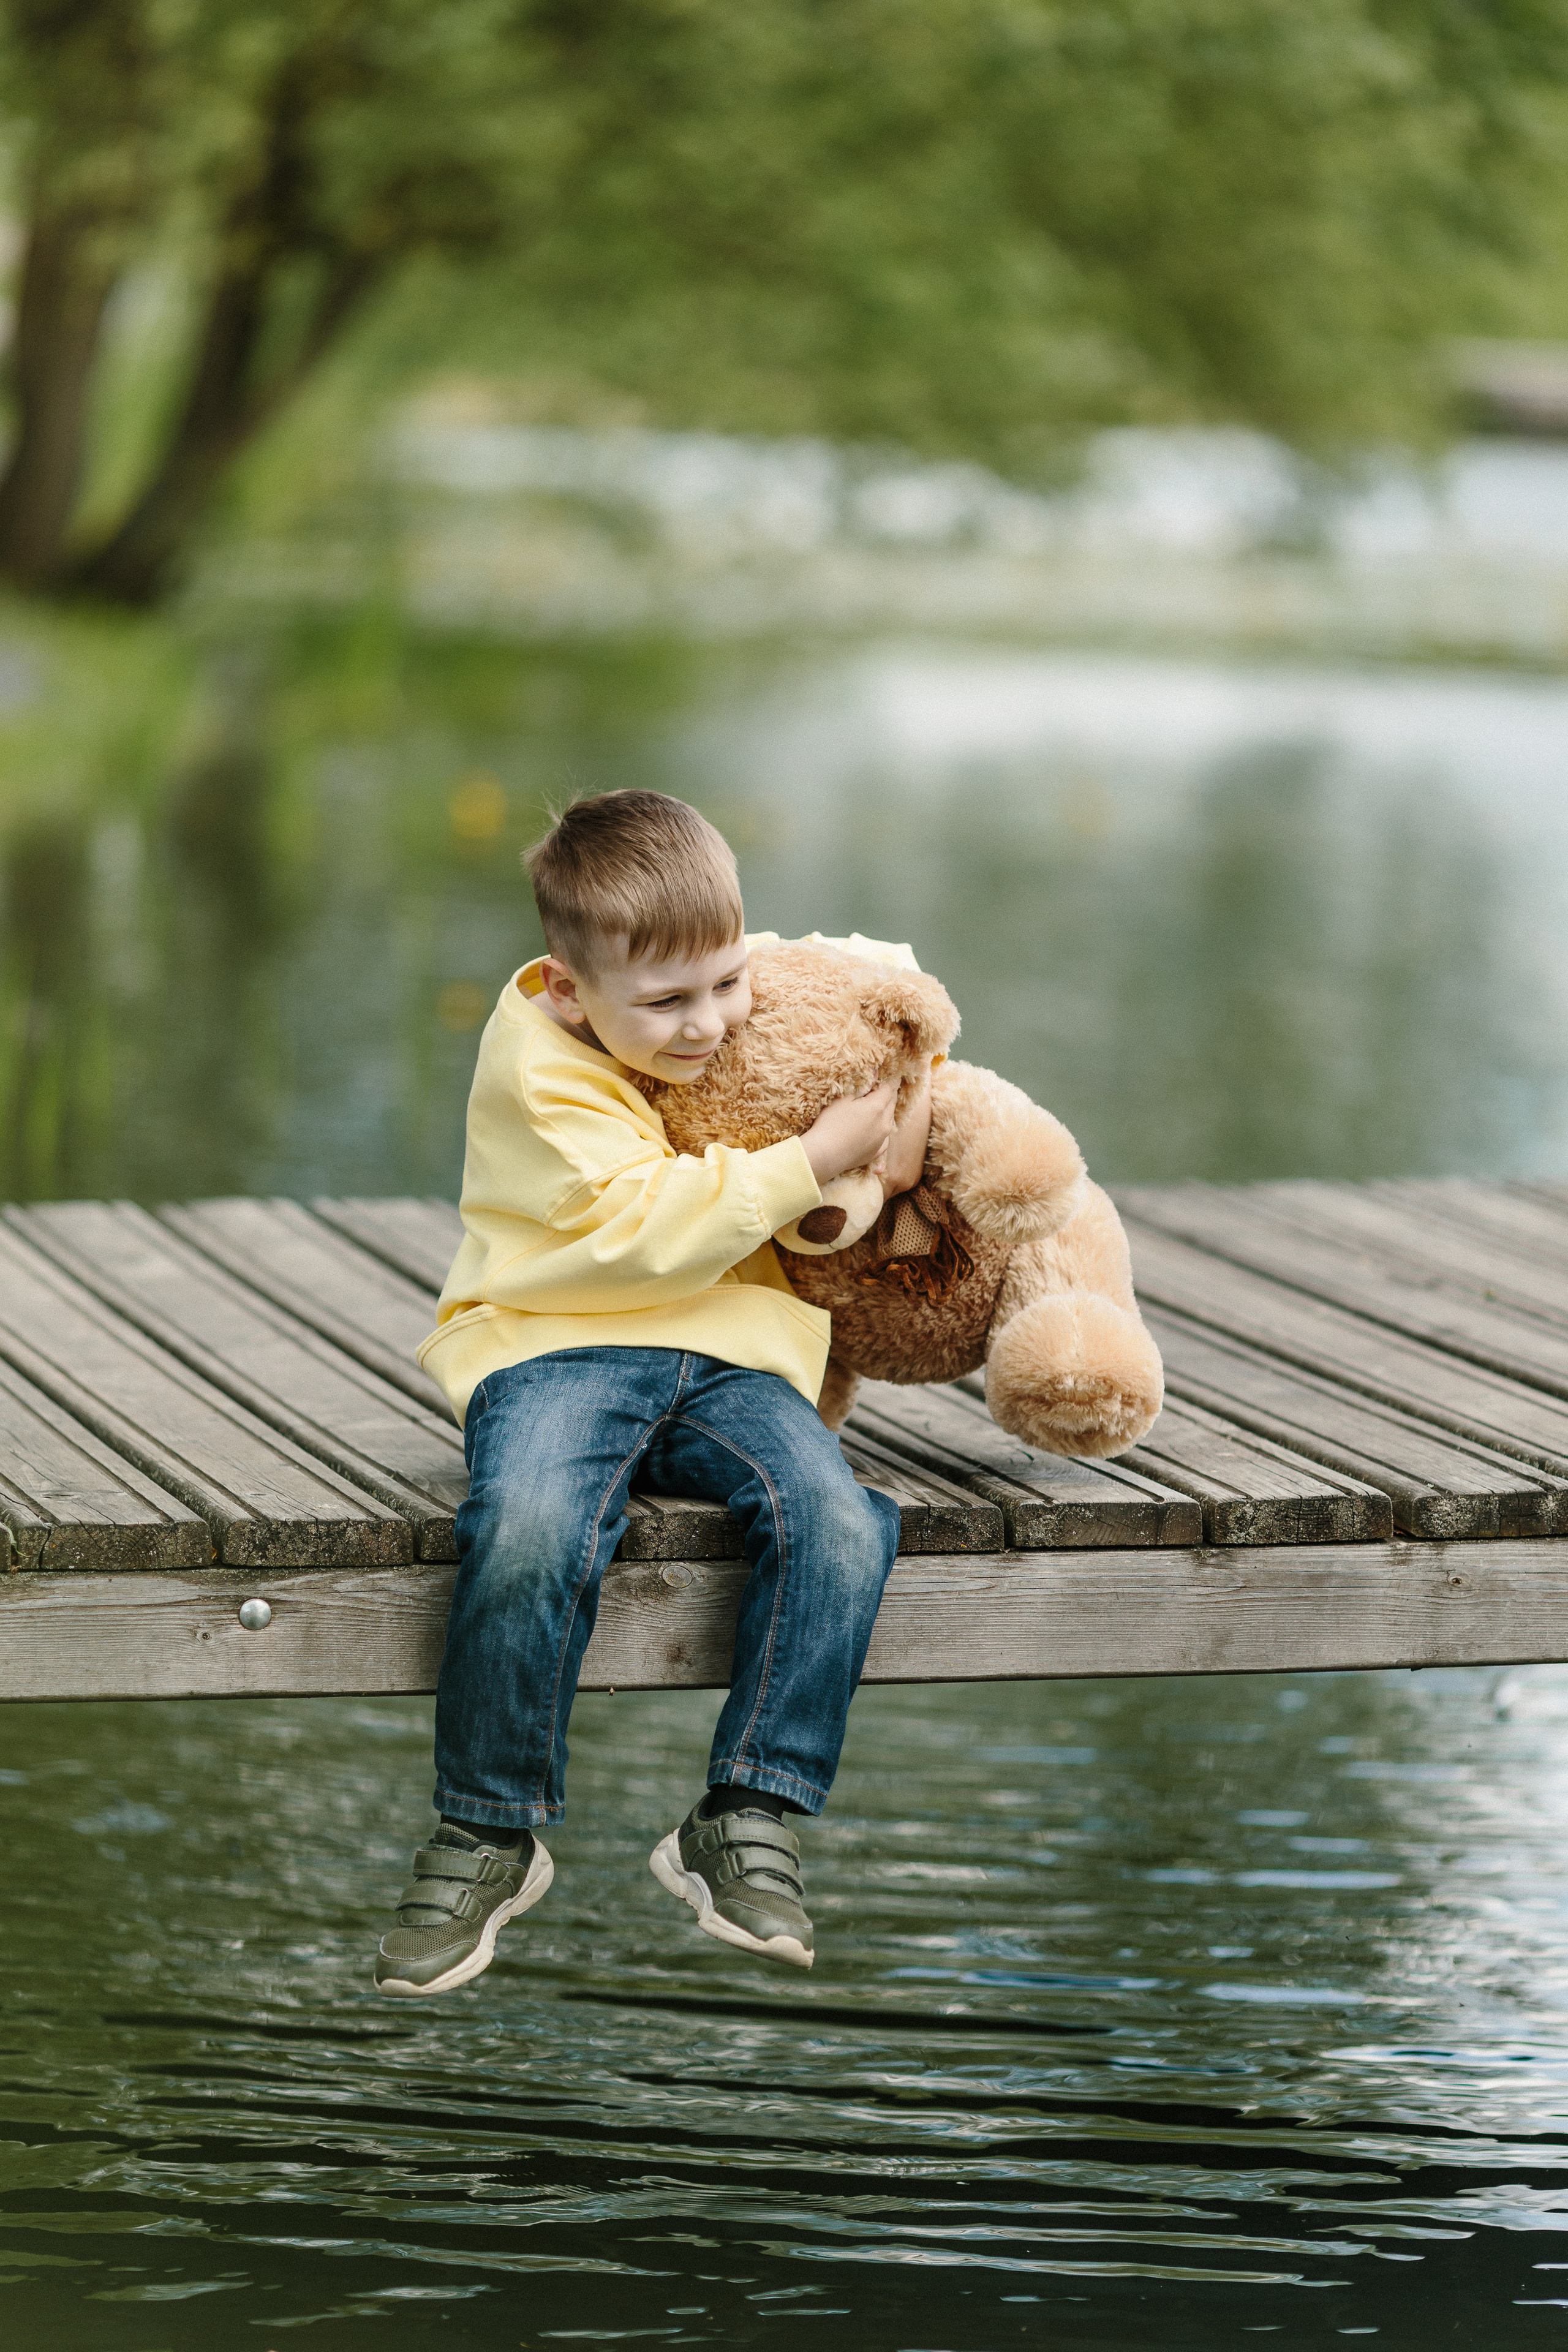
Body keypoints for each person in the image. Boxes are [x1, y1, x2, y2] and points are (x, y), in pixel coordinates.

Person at [374, 790, 932, 1996]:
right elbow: (639, 1230)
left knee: (836, 1518)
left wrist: (892, 1072)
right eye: (669, 1003)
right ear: (569, 989)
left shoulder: (721, 990)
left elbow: (882, 980)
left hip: (728, 1354)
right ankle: (487, 1829)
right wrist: (812, 1162)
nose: (710, 1024)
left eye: (726, 982)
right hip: (553, 1344)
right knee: (530, 1526)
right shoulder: (537, 1060)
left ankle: (744, 1811)